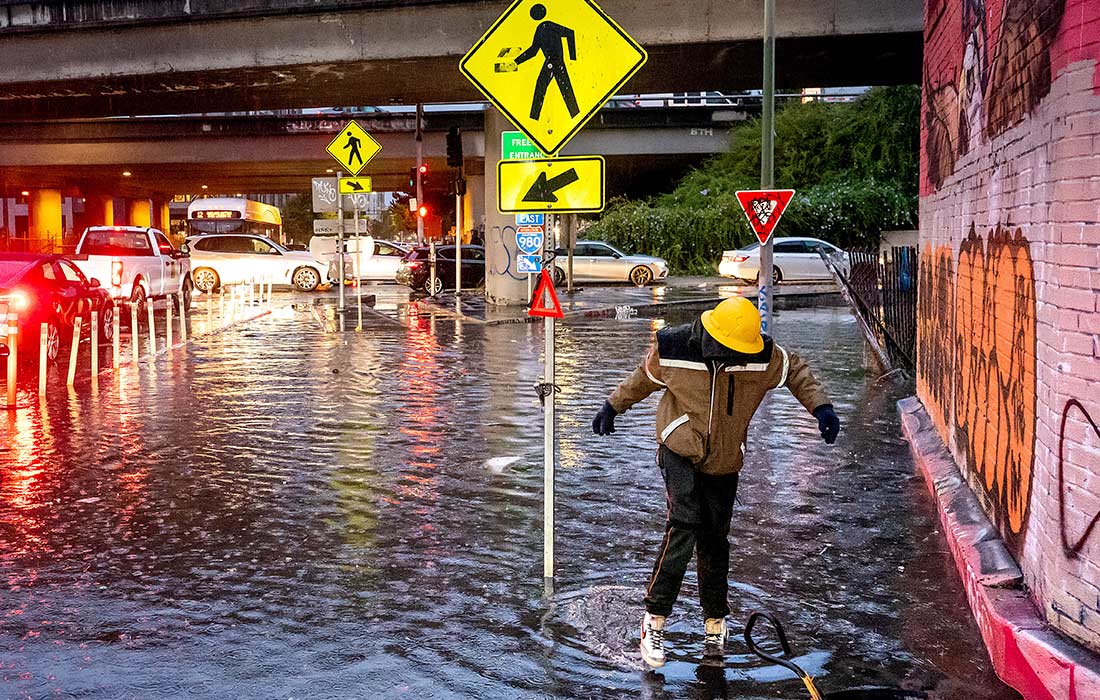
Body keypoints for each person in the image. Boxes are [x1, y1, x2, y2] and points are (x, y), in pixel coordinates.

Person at [592, 297, 839, 668]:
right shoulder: (674, 348)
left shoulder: (762, 355)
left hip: (725, 459)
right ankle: (654, 619)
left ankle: (715, 620)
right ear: (713, 336)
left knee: (715, 535)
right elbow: (643, 379)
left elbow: (797, 371)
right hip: (678, 446)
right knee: (685, 522)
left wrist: (821, 408)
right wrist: (612, 406)